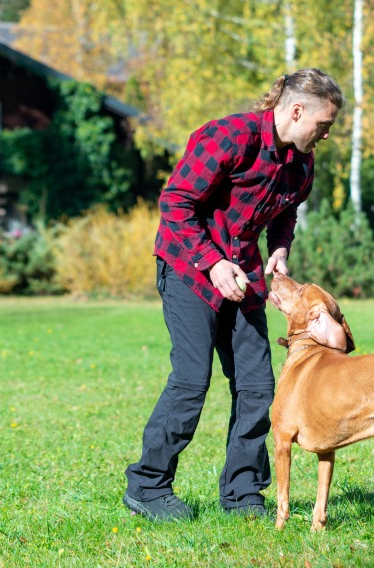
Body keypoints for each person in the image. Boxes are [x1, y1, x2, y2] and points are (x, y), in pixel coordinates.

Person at [124, 68, 344, 521]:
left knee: (258, 386)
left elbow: (288, 210)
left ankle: (242, 494)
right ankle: (147, 486)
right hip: (189, 266)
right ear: (297, 110)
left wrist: (280, 247)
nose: (325, 135)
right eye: (323, 125)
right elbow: (176, 203)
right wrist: (213, 261)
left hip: (242, 274)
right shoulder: (230, 136)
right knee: (190, 381)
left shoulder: (301, 160)